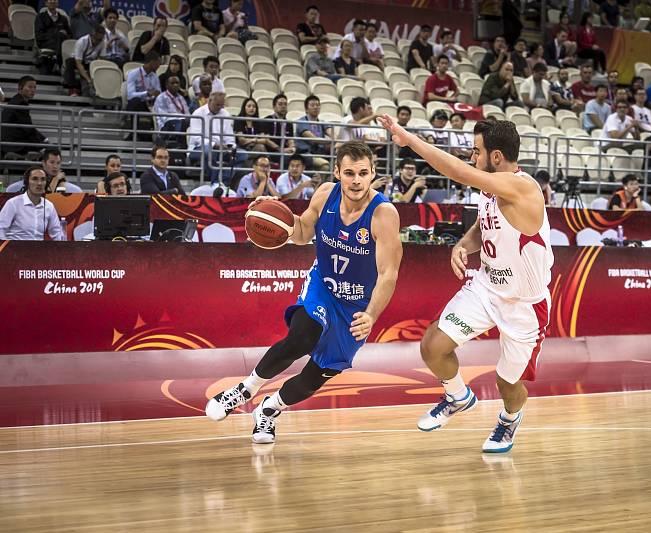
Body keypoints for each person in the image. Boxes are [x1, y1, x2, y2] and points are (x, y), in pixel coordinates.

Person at [205, 141, 403, 446]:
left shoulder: (383, 214)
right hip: (323, 286)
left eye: (363, 173)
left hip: (357, 304)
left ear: (373, 173)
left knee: (315, 376)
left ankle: (268, 410)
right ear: (337, 172)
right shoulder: (325, 194)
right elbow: (300, 233)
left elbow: (388, 273)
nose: (356, 180)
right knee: (304, 336)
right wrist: (274, 216)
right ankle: (244, 389)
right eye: (349, 172)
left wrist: (372, 314)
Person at [377, 115, 553, 454]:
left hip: (524, 305)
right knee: (432, 345)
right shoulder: (490, 189)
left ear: (496, 157)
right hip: (486, 287)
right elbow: (484, 227)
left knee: (508, 383)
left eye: (476, 151)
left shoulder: (523, 187)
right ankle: (458, 396)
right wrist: (462, 245)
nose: (473, 157)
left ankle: (509, 419)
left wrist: (409, 140)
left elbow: (458, 171)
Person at [187, 90, 247, 185]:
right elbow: (196, 138)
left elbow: (229, 137)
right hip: (198, 148)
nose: (219, 108)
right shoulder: (198, 113)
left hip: (222, 149)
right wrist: (215, 145)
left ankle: (223, 180)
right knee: (208, 150)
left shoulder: (225, 114)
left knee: (243, 154)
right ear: (210, 101)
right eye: (217, 105)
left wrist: (230, 146)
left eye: (221, 105)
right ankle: (215, 182)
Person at [0, 166, 65, 241]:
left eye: (43, 179)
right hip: (15, 249)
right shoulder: (13, 204)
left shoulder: (49, 206)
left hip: (38, 250)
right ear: (27, 182)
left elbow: (56, 233)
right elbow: (1, 230)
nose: (39, 183)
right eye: (35, 179)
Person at [0, 76, 48, 160]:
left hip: (12, 142)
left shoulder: (16, 100)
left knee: (47, 147)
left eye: (34, 87)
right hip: (14, 144)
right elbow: (28, 129)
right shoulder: (20, 103)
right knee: (51, 150)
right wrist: (42, 144)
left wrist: (43, 139)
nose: (33, 90)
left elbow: (28, 127)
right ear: (20, 88)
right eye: (30, 87)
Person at [63, 23, 107, 96]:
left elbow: (102, 60)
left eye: (100, 40)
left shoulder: (102, 42)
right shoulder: (82, 42)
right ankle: (72, 88)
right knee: (69, 62)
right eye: (96, 39)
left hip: (90, 62)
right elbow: (78, 63)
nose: (97, 42)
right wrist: (88, 79)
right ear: (91, 35)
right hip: (77, 61)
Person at [125, 51, 162, 136]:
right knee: (135, 102)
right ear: (152, 62)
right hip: (139, 102)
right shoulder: (133, 74)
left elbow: (158, 91)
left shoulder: (154, 76)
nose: (159, 65)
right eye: (158, 63)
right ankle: (133, 133)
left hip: (151, 103)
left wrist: (156, 93)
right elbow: (130, 95)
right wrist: (146, 93)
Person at [296, 95, 334, 171]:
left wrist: (332, 139)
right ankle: (319, 183)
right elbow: (313, 139)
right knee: (325, 166)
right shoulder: (301, 122)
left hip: (321, 153)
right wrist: (330, 141)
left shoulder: (322, 122)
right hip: (306, 154)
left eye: (317, 105)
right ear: (306, 109)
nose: (315, 107)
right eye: (312, 105)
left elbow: (332, 134)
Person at [34, 0, 72, 75]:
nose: (53, 2)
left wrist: (64, 35)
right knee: (59, 35)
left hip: (60, 43)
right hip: (46, 42)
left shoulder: (63, 19)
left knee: (61, 37)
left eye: (55, 0)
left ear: (58, 3)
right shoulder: (40, 17)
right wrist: (56, 34)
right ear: (46, 3)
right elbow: (39, 35)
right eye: (50, 0)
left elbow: (70, 34)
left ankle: (56, 59)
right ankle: (58, 62)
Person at [153, 75, 190, 146]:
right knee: (184, 122)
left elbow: (187, 113)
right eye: (172, 83)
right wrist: (181, 118)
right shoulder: (161, 97)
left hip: (182, 122)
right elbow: (163, 117)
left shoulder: (181, 97)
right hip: (167, 125)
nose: (175, 85)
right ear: (167, 85)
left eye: (177, 83)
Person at [263, 93, 296, 170]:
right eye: (280, 104)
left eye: (285, 104)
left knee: (305, 159)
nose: (283, 106)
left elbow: (290, 139)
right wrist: (280, 149)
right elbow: (266, 140)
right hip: (272, 152)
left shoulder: (288, 123)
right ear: (274, 107)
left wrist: (292, 148)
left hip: (285, 151)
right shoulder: (267, 120)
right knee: (286, 159)